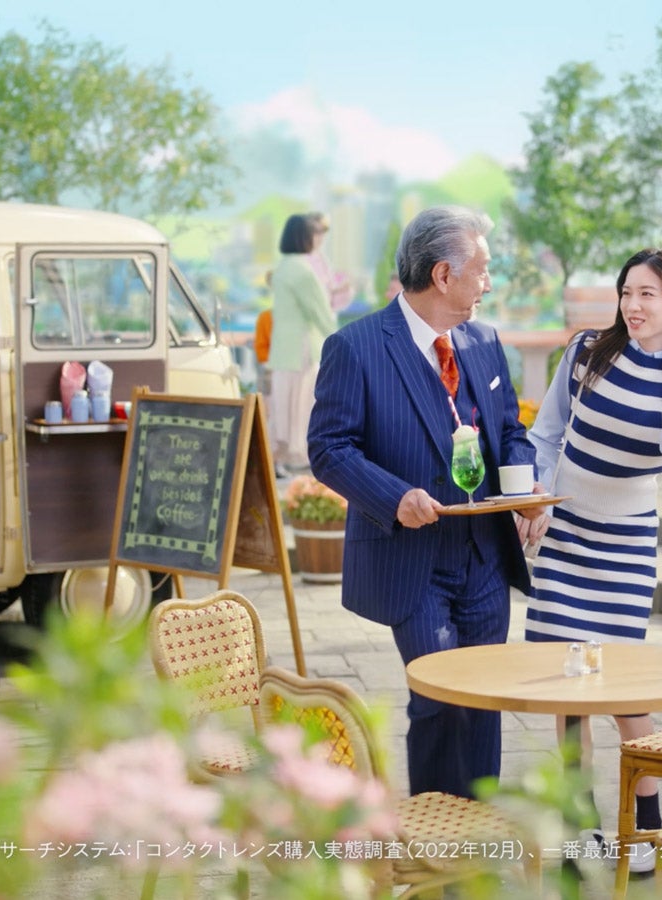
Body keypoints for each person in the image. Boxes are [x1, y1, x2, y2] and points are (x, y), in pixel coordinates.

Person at [307, 206, 540, 799]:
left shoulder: (485, 342)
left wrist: (523, 489)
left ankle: (478, 848)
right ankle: (438, 858)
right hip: (412, 563)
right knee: (437, 702)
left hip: (485, 556)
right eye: (482, 270)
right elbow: (329, 448)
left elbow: (510, 430)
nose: (489, 283)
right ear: (443, 275)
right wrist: (395, 496)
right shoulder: (355, 347)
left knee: (482, 700)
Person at [522, 247, 662, 871]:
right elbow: (547, 431)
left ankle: (644, 833)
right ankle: (578, 825)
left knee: (623, 694)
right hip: (567, 530)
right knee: (568, 688)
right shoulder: (587, 350)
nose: (633, 307)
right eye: (627, 292)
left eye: (648, 296)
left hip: (627, 542)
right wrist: (539, 495)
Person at [267, 214, 339, 474]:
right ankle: (299, 457)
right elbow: (320, 313)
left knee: (283, 404)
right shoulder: (303, 270)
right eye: (315, 233)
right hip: (302, 346)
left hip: (283, 346)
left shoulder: (284, 266)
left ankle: (278, 457)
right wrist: (342, 340)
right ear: (305, 237)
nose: (319, 238)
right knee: (302, 403)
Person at [306, 212, 354, 312]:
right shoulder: (301, 259)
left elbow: (332, 298)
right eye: (316, 231)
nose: (320, 236)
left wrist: (344, 288)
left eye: (323, 231)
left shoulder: (321, 258)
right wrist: (337, 289)